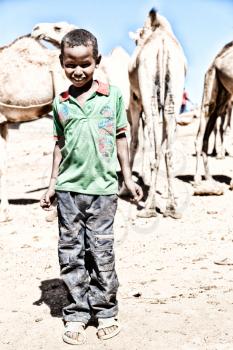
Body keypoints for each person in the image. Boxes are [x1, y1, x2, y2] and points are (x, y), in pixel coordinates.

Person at [40, 28, 143, 345]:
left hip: (103, 191)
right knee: (71, 253)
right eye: (71, 64)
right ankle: (77, 313)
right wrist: (52, 183)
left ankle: (105, 310)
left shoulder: (112, 97)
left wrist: (127, 176)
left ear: (96, 61)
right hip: (69, 191)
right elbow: (60, 145)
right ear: (62, 63)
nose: (78, 70)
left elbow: (121, 137)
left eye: (85, 63)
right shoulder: (61, 104)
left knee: (101, 252)